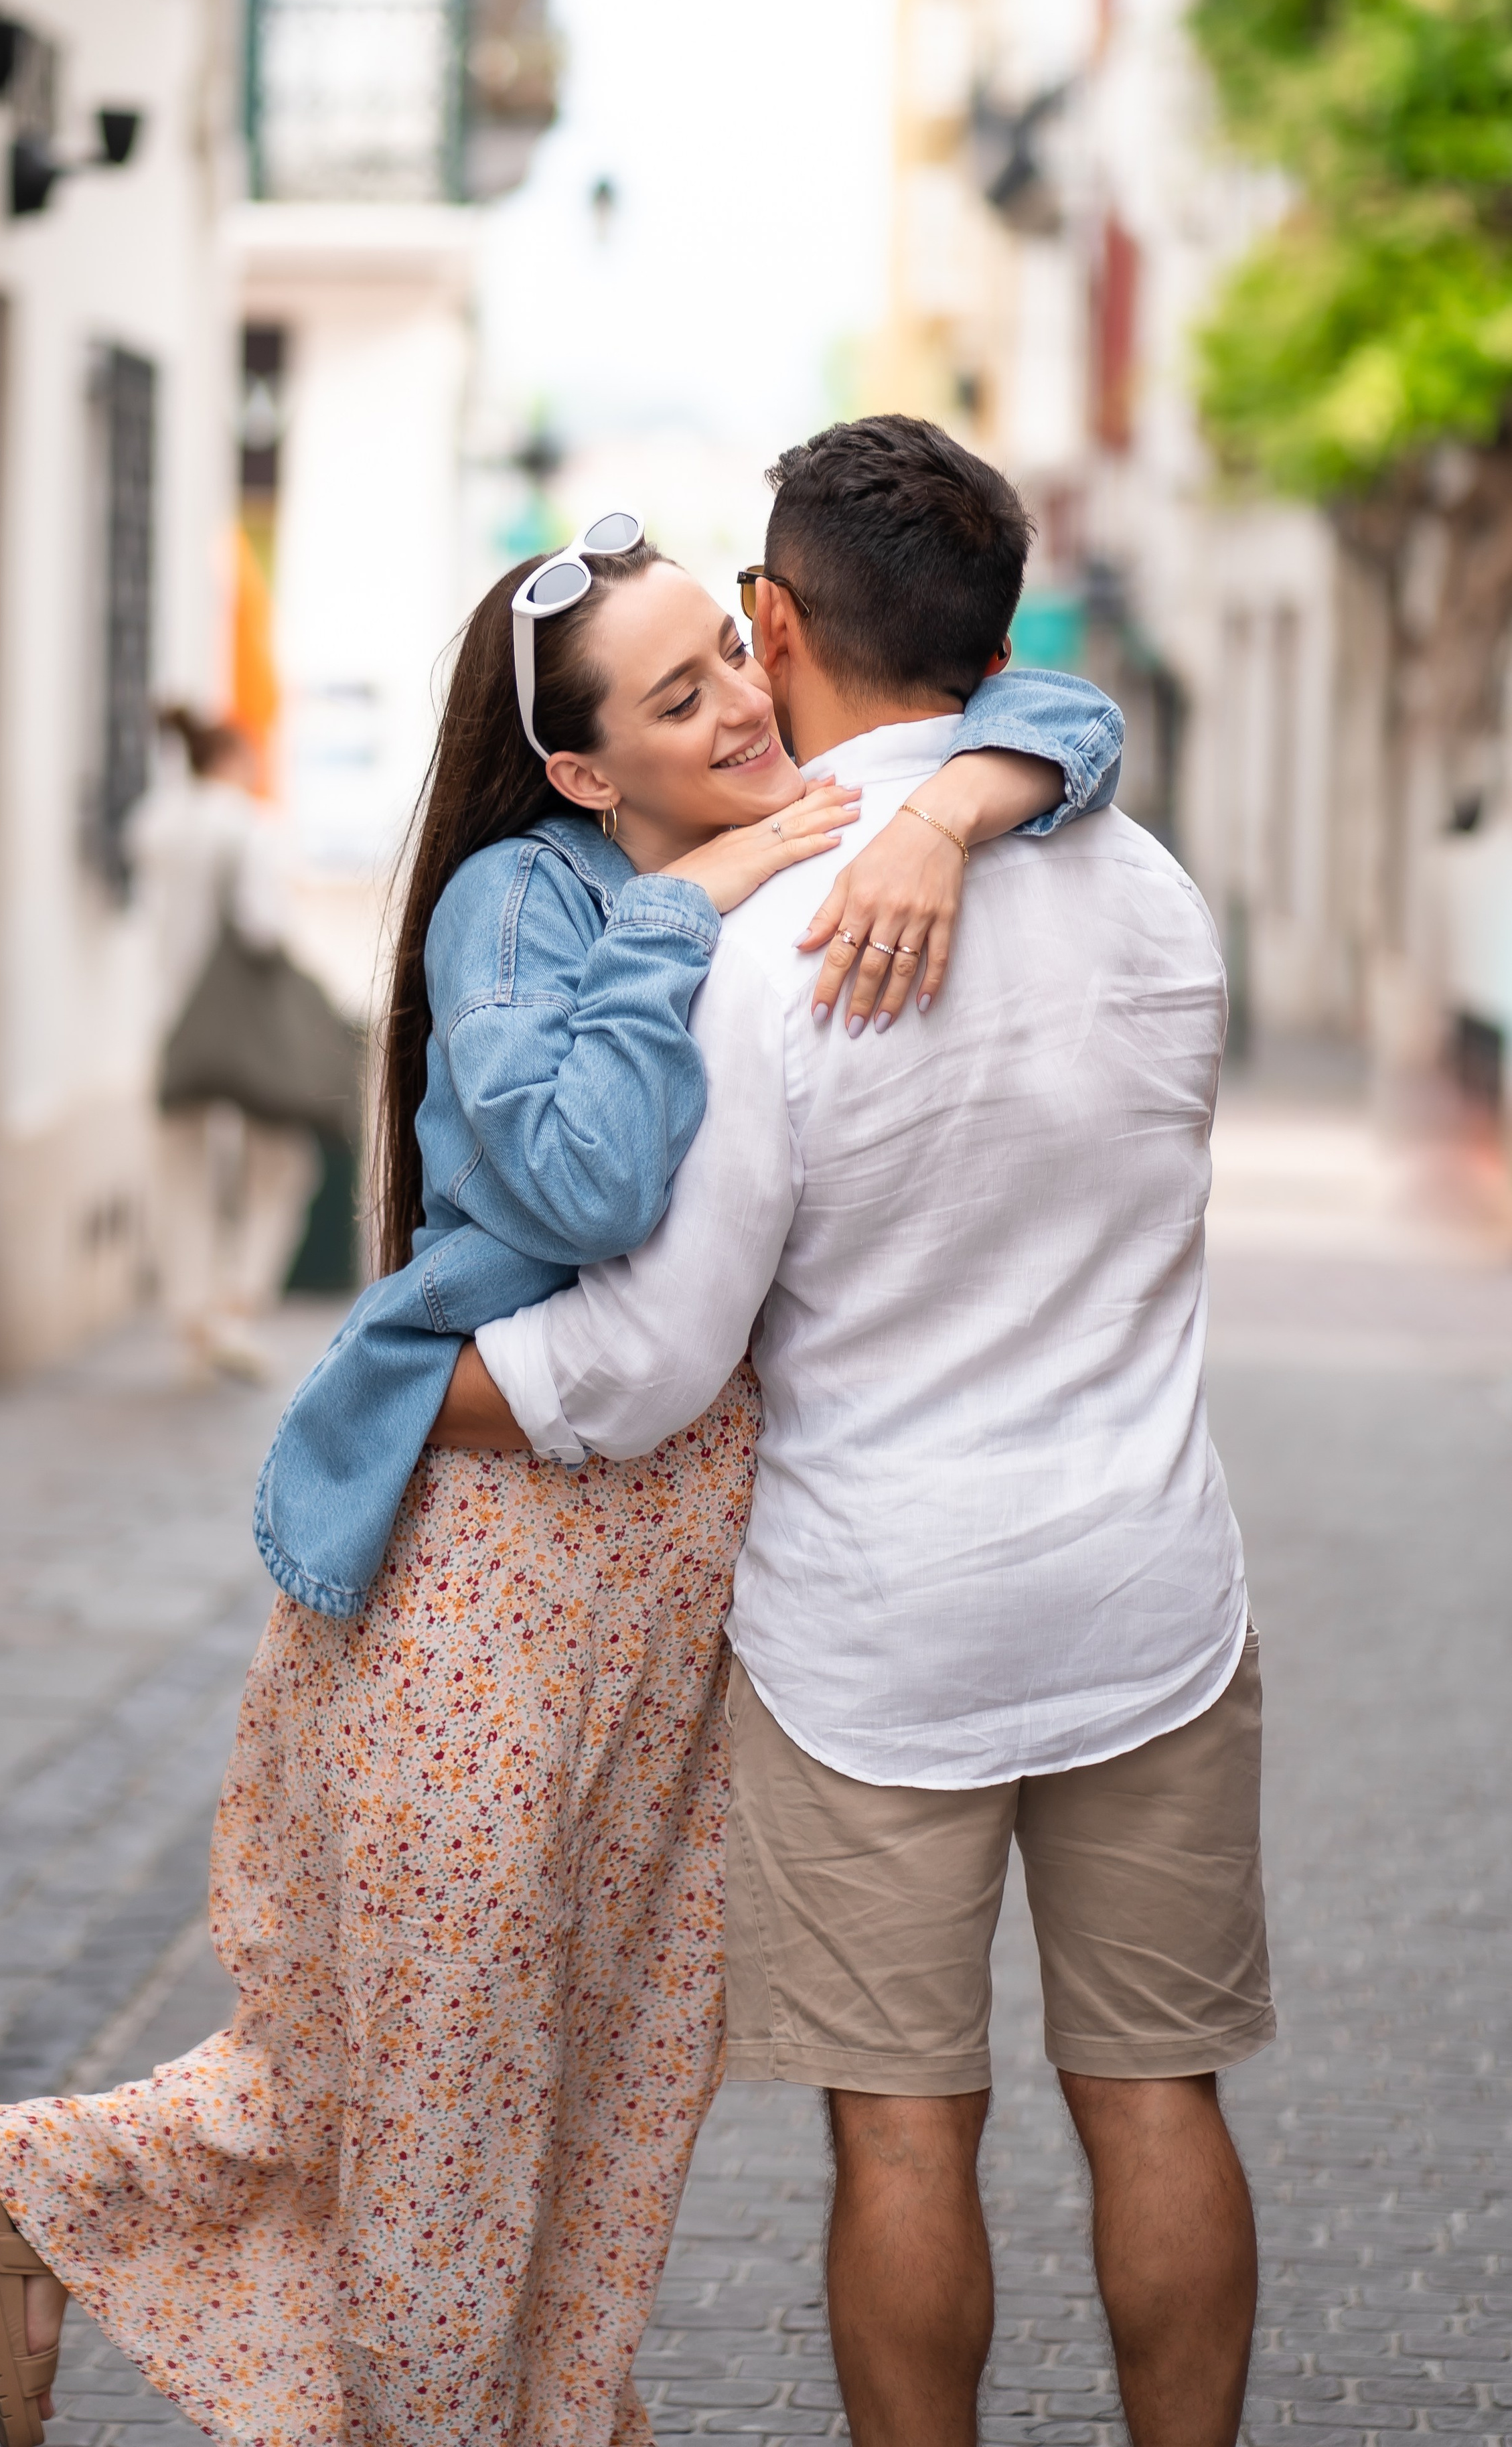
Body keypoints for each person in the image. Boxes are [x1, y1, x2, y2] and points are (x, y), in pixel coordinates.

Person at [0, 512, 1120, 2447]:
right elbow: (579, 1188)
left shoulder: (831, 797)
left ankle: (488, 2390)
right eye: (680, 696)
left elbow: (1067, 706)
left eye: (737, 652)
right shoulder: (524, 900)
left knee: (621, 2085)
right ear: (582, 766)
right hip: (489, 1574)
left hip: (680, 1589)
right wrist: (698, 899)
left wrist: (948, 808)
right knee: (442, 2103)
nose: (745, 700)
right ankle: (67, 2192)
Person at [459, 418, 1274, 2447]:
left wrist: (416, 1396)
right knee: (1153, 2094)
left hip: (871, 1636)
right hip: (1148, 1588)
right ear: (997, 637)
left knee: (902, 2140)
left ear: (775, 620)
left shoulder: (763, 953)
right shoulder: (1156, 894)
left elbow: (647, 1364)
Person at [129, 706, 321, 1385]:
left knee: (177, 1164)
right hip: (240, 1030)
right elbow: (263, 928)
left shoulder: (155, 823)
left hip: (170, 1019)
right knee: (282, 1163)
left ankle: (192, 1313)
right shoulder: (248, 825)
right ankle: (238, 1298)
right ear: (234, 760)